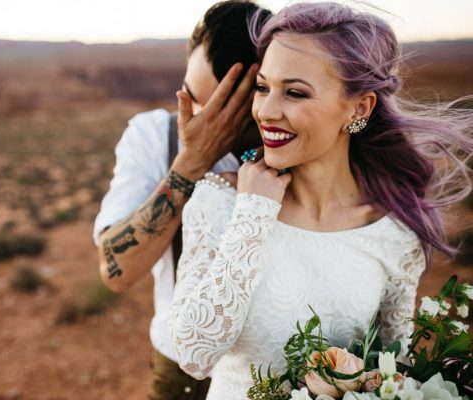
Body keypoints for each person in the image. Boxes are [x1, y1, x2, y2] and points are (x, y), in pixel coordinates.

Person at [169, 2, 473, 399]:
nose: (266, 111)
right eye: (263, 87)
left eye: (294, 93)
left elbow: (393, 373)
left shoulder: (394, 232)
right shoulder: (220, 202)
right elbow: (193, 355)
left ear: (359, 108)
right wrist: (254, 214)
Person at [93, 2, 272, 399]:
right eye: (192, 100)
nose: (206, 123)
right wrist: (191, 161)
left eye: (229, 111)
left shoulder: (294, 136)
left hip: (275, 370)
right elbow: (115, 270)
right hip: (183, 373)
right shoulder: (154, 135)